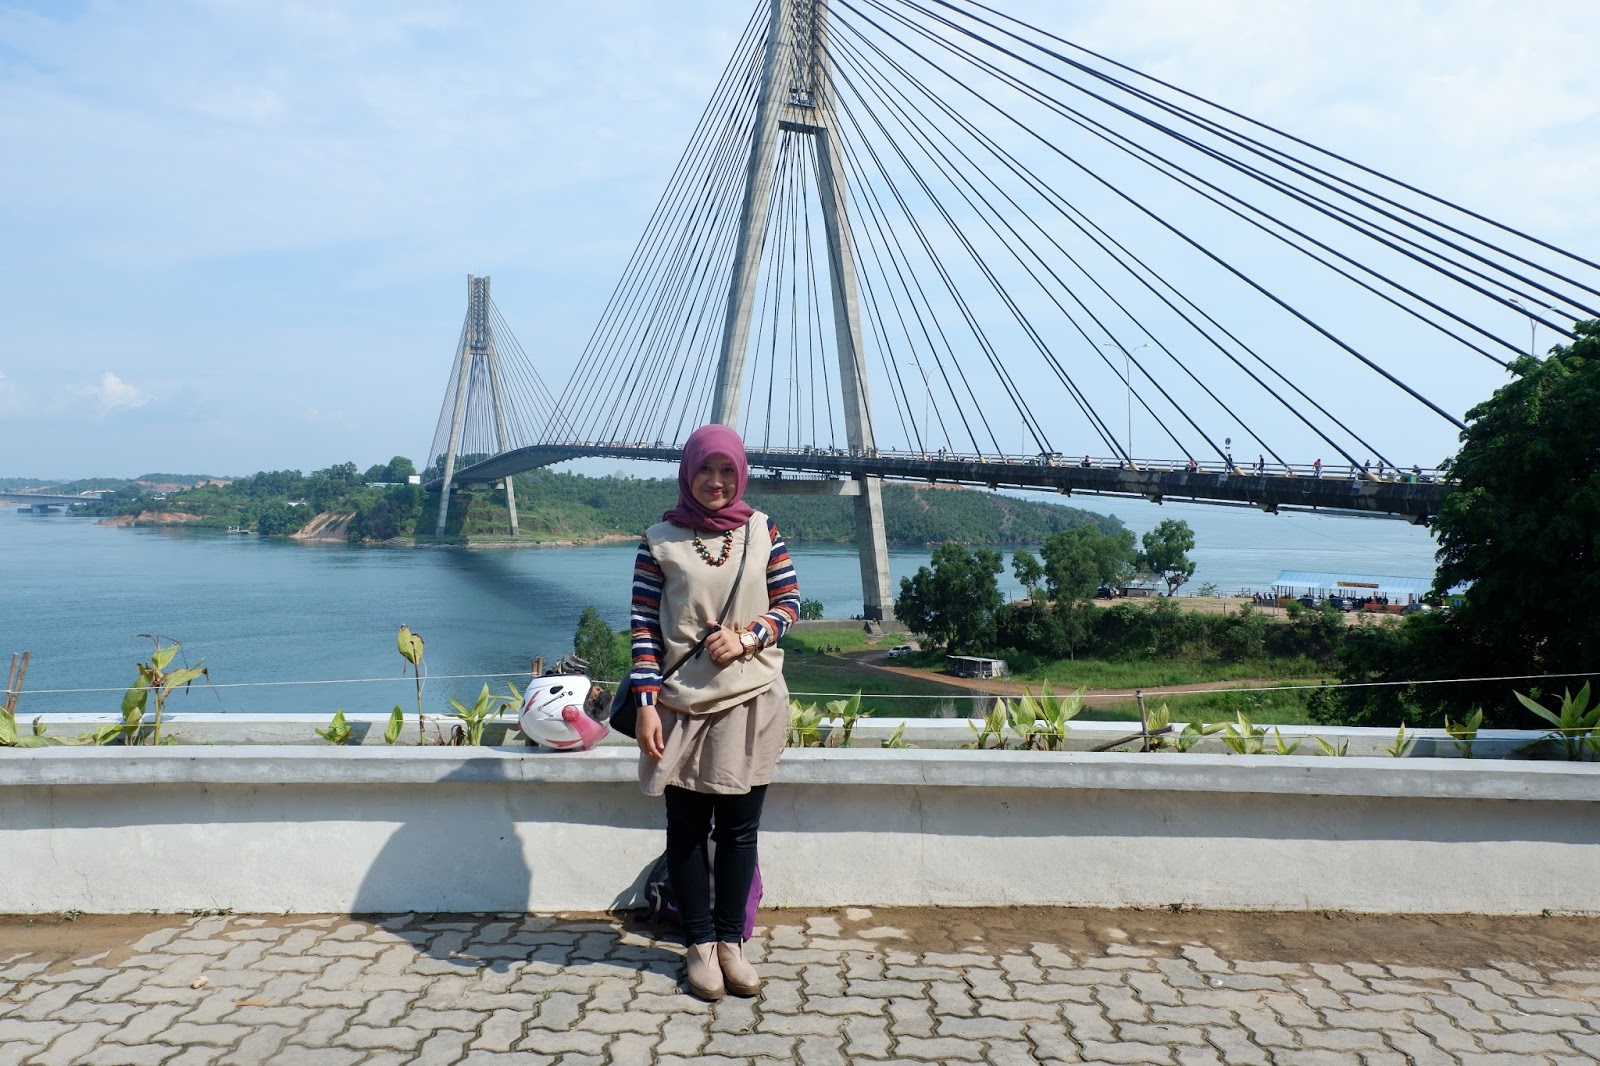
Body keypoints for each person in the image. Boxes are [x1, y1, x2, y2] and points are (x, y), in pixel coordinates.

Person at [628, 424, 800, 1002]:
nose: (716, 481)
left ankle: (732, 943)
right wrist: (646, 707)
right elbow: (644, 631)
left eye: (727, 470)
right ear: (688, 472)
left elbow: (789, 601)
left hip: (752, 698)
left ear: (741, 474)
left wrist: (750, 636)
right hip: (681, 704)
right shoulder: (658, 540)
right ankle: (698, 945)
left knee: (738, 830)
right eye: (705, 469)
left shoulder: (763, 530)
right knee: (685, 828)